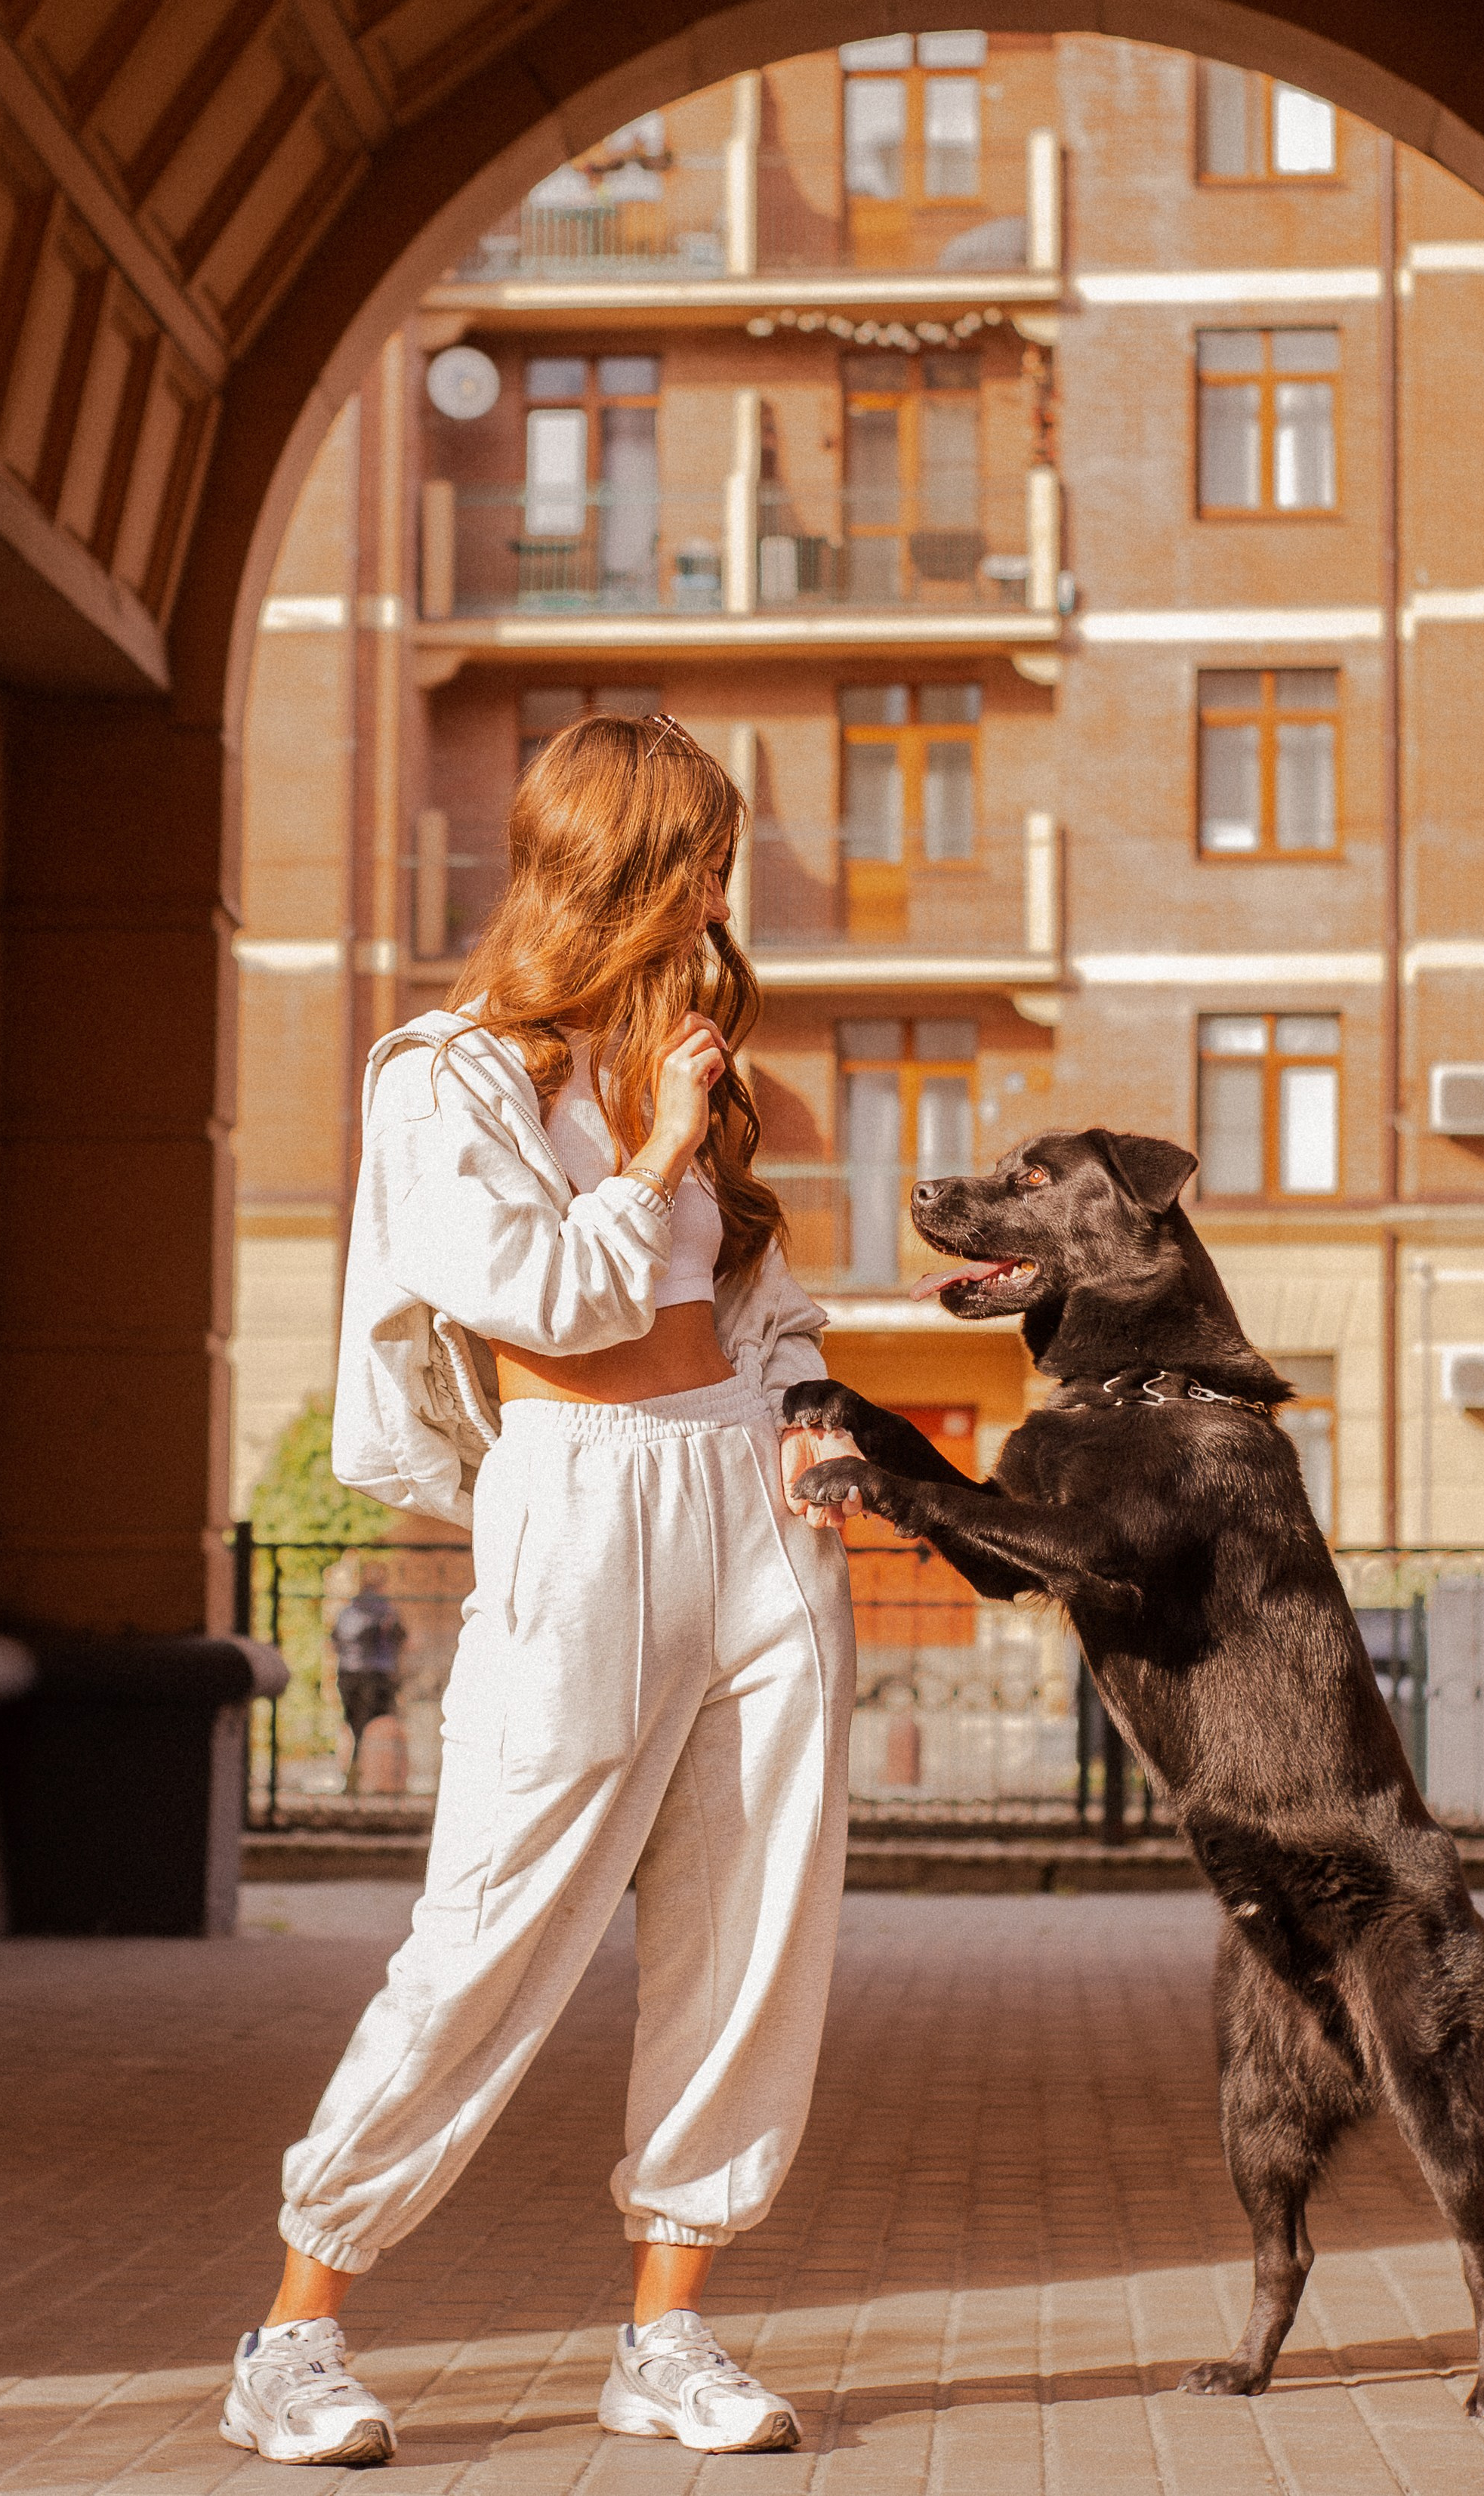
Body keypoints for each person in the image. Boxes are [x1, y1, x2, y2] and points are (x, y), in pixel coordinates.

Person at [221, 712, 862, 2467]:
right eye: (702, 854)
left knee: (750, 1935)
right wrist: (651, 1149)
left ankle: (667, 2330)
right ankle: (293, 2328)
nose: (723, 891)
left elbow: (764, 1296)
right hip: (577, 1501)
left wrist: (807, 1407)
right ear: (620, 862)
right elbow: (537, 1298)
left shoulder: (691, 1055)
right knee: (489, 1932)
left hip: (755, 1504)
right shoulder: (443, 1076)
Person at [330, 1570, 406, 1790]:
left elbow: (335, 1641)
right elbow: (401, 1639)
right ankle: (376, 1782)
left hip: (347, 1674)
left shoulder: (347, 1612)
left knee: (355, 1728)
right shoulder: (386, 1611)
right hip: (377, 1675)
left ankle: (353, 1779)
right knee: (377, 1729)